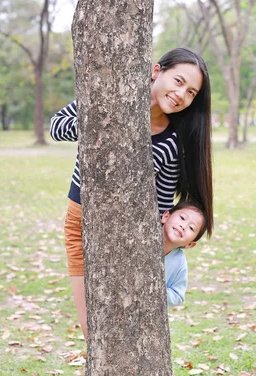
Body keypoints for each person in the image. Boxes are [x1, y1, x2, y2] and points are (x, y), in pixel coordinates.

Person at [49, 47, 214, 339]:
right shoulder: (109, 95)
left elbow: (160, 203)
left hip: (122, 235)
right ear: (156, 71)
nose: (181, 95)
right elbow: (56, 128)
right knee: (92, 331)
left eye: (191, 93)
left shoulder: (172, 142)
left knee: (118, 331)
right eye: (178, 81)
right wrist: (105, 119)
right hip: (80, 223)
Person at [163, 201, 207, 307]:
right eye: (182, 218)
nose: (183, 226)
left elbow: (178, 295)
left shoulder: (179, 261)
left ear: (190, 244)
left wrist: (154, 290)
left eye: (191, 228)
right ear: (165, 216)